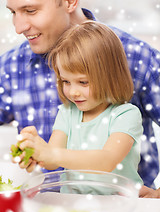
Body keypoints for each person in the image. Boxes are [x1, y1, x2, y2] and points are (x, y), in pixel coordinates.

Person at [0, 0, 160, 190]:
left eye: (31, 10)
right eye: (65, 82)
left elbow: (106, 160)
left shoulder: (136, 67)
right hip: (57, 207)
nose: (19, 28)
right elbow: (51, 157)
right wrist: (36, 149)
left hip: (121, 207)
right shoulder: (67, 111)